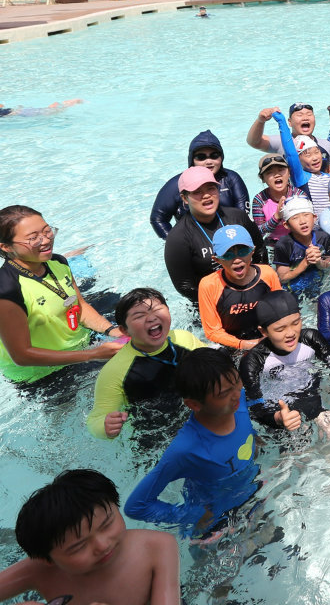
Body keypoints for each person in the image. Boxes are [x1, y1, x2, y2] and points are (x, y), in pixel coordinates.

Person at [124, 348, 260, 534]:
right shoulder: (186, 449)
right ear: (194, 404)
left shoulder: (238, 400)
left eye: (237, 382)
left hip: (252, 493)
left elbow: (244, 430)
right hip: (216, 524)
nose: (236, 393)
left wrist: (256, 439)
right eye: (223, 394)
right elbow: (136, 506)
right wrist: (193, 515)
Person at [0, 469, 180, 605]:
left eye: (107, 524)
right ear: (47, 559)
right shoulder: (37, 570)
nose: (102, 545)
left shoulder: (156, 547)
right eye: (78, 546)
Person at [0, 205, 125, 383]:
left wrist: (112, 330)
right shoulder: (7, 290)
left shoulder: (58, 262)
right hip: (41, 374)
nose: (45, 240)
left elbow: (79, 305)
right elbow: (21, 355)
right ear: (6, 246)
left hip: (81, 347)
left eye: (47, 231)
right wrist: (92, 355)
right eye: (33, 238)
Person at [87, 288, 204, 440]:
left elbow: (215, 366)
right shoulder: (115, 371)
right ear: (124, 330)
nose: (151, 318)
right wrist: (105, 426)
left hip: (198, 415)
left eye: (157, 309)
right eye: (139, 316)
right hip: (156, 435)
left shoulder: (184, 339)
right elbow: (95, 418)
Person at [240, 291, 330, 439]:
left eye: (296, 323)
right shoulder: (253, 361)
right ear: (263, 331)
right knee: (298, 449)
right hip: (280, 411)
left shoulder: (310, 339)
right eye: (280, 329)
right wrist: (278, 419)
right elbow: (255, 408)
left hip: (313, 398)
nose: (291, 333)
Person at [163, 167, 266, 303]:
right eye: (197, 192)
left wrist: (257, 284)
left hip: (251, 289)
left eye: (211, 188)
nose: (206, 195)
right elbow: (185, 286)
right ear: (185, 198)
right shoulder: (178, 238)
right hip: (213, 300)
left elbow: (259, 251)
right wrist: (225, 298)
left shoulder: (237, 217)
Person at [149, 130, 249, 240]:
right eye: (201, 157)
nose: (209, 162)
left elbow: (243, 216)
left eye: (214, 155)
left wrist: (234, 243)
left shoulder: (232, 179)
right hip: (192, 242)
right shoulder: (176, 184)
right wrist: (175, 242)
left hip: (229, 241)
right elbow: (158, 219)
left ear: (221, 157)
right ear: (192, 160)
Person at [197, 225, 281, 351]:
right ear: (217, 259)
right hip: (232, 344)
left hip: (266, 336)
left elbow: (281, 311)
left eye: (243, 251)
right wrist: (244, 345)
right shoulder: (209, 285)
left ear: (252, 251)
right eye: (228, 254)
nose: (237, 259)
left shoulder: (267, 274)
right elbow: (212, 331)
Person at [247, 104, 330, 175]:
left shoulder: (325, 144)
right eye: (300, 115)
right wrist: (260, 120)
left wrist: (324, 184)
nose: (305, 118)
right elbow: (254, 142)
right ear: (290, 122)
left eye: (309, 114)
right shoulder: (282, 142)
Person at [272, 197, 330, 297]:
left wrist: (318, 261)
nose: (302, 221)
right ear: (286, 225)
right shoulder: (283, 245)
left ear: (314, 218)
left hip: (318, 283)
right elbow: (282, 278)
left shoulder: (323, 237)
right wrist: (305, 262)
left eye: (306, 215)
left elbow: (328, 265)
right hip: (293, 289)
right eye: (295, 218)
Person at [251, 153, 305, 245]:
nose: (277, 175)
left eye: (281, 170)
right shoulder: (259, 199)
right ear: (262, 178)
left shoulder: (299, 195)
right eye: (270, 172)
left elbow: (307, 223)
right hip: (271, 245)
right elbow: (259, 231)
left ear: (289, 173)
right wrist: (277, 217)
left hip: (297, 242)